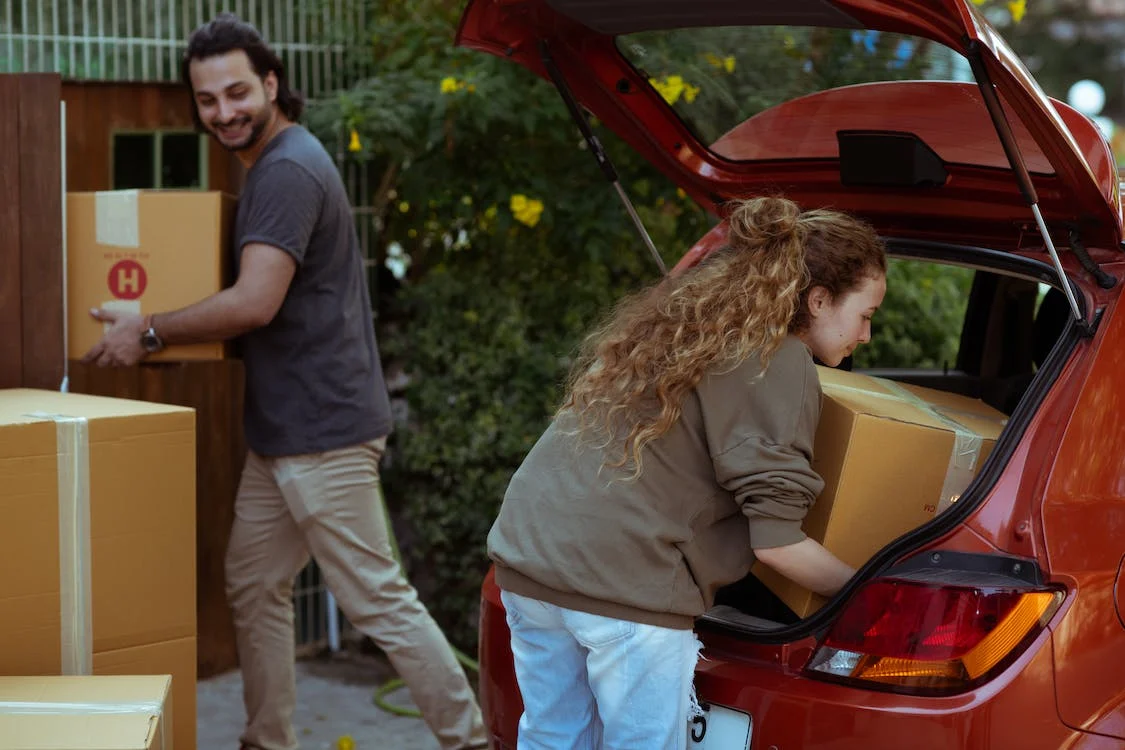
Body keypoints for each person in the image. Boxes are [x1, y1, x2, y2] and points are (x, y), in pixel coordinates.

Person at [81, 13, 487, 750]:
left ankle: (471, 742)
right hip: (283, 436)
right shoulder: (276, 165)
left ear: (270, 84)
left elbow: (255, 301)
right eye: (208, 101)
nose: (224, 112)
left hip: (323, 435)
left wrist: (149, 328)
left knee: (378, 603)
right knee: (252, 582)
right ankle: (267, 741)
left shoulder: (288, 170)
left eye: (237, 93)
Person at [486, 195, 887, 750]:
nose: (866, 336)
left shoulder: (685, 326)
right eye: (865, 315)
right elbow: (776, 545)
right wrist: (873, 590)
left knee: (553, 739)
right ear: (819, 301)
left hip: (531, 560)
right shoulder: (779, 360)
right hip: (625, 585)